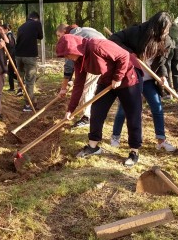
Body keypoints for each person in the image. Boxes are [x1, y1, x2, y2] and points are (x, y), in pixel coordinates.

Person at [57, 34, 143, 166]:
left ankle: (134, 151)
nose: (67, 58)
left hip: (127, 76)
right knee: (97, 111)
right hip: (108, 79)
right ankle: (93, 146)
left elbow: (124, 55)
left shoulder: (96, 46)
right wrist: (70, 109)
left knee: (132, 114)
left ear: (74, 48)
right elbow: (78, 85)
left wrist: (118, 77)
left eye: (67, 54)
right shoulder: (79, 60)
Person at [109, 11, 176, 153]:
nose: (166, 32)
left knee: (157, 108)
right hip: (133, 77)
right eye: (164, 29)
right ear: (155, 27)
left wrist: (163, 76)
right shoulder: (137, 32)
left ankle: (161, 140)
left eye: (168, 29)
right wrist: (129, 53)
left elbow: (162, 63)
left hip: (149, 80)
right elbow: (113, 38)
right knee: (124, 109)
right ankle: (115, 136)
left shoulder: (167, 41)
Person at [58, 24, 104, 128]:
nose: (58, 38)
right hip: (95, 57)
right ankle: (87, 115)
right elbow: (77, 79)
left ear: (65, 32)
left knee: (86, 88)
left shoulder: (70, 40)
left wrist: (63, 88)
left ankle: (86, 118)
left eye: (58, 35)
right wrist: (70, 109)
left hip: (97, 58)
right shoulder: (85, 29)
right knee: (83, 86)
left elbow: (69, 67)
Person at [15, 11, 43, 111]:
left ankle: (19, 89)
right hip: (29, 55)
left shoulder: (21, 26)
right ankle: (28, 104)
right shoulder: (37, 24)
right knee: (30, 80)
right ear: (36, 18)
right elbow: (41, 36)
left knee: (20, 75)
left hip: (18, 55)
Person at [2, 23, 17, 92]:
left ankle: (12, 88)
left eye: (3, 29)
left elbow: (11, 46)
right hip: (13, 56)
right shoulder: (11, 34)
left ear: (6, 29)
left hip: (13, 56)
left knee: (10, 72)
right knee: (10, 72)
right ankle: (23, 81)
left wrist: (7, 57)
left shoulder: (9, 35)